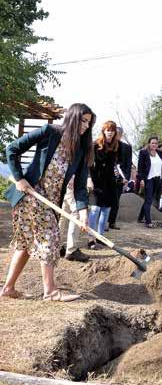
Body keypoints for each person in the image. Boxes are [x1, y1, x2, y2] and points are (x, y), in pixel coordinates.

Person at [1, 103, 95, 302]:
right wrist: (19, 178)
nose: (86, 126)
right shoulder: (49, 132)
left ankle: (8, 288)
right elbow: (12, 149)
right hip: (31, 195)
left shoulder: (81, 149)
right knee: (50, 237)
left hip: (50, 201)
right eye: (83, 120)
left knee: (26, 244)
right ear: (73, 118)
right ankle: (50, 291)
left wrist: (83, 213)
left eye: (89, 122)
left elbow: (79, 186)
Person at [87, 121, 119, 247]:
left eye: (112, 130)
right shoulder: (95, 145)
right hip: (96, 180)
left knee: (106, 210)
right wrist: (89, 178)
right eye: (108, 130)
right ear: (103, 131)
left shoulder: (117, 146)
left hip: (110, 181)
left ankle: (100, 237)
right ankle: (91, 238)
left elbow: (118, 165)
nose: (110, 132)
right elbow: (88, 164)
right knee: (95, 209)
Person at [137, 136, 162, 228]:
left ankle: (140, 217)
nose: (154, 145)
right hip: (148, 179)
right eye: (152, 143)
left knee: (148, 199)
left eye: (156, 143)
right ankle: (148, 221)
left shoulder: (159, 153)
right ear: (149, 144)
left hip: (157, 180)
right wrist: (142, 179)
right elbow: (140, 168)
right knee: (149, 200)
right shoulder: (143, 153)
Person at [58, 175, 90, 262]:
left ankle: (58, 246)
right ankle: (71, 250)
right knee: (77, 212)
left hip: (66, 182)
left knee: (63, 214)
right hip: (72, 183)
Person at [107, 126, 132, 230]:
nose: (114, 135)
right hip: (107, 177)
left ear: (121, 135)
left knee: (116, 200)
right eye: (113, 133)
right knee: (106, 200)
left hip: (120, 179)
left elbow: (128, 164)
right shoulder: (107, 145)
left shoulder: (127, 147)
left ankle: (112, 222)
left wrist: (126, 178)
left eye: (117, 134)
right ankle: (104, 222)